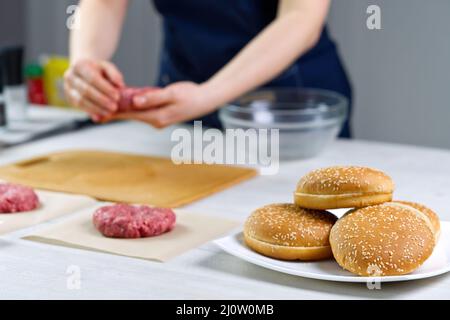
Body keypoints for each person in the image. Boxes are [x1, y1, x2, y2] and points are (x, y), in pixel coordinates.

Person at [64, 0, 352, 137]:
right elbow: (105, 3)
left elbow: (302, 17)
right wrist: (85, 61)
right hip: (184, 92)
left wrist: (207, 96)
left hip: (289, 107)